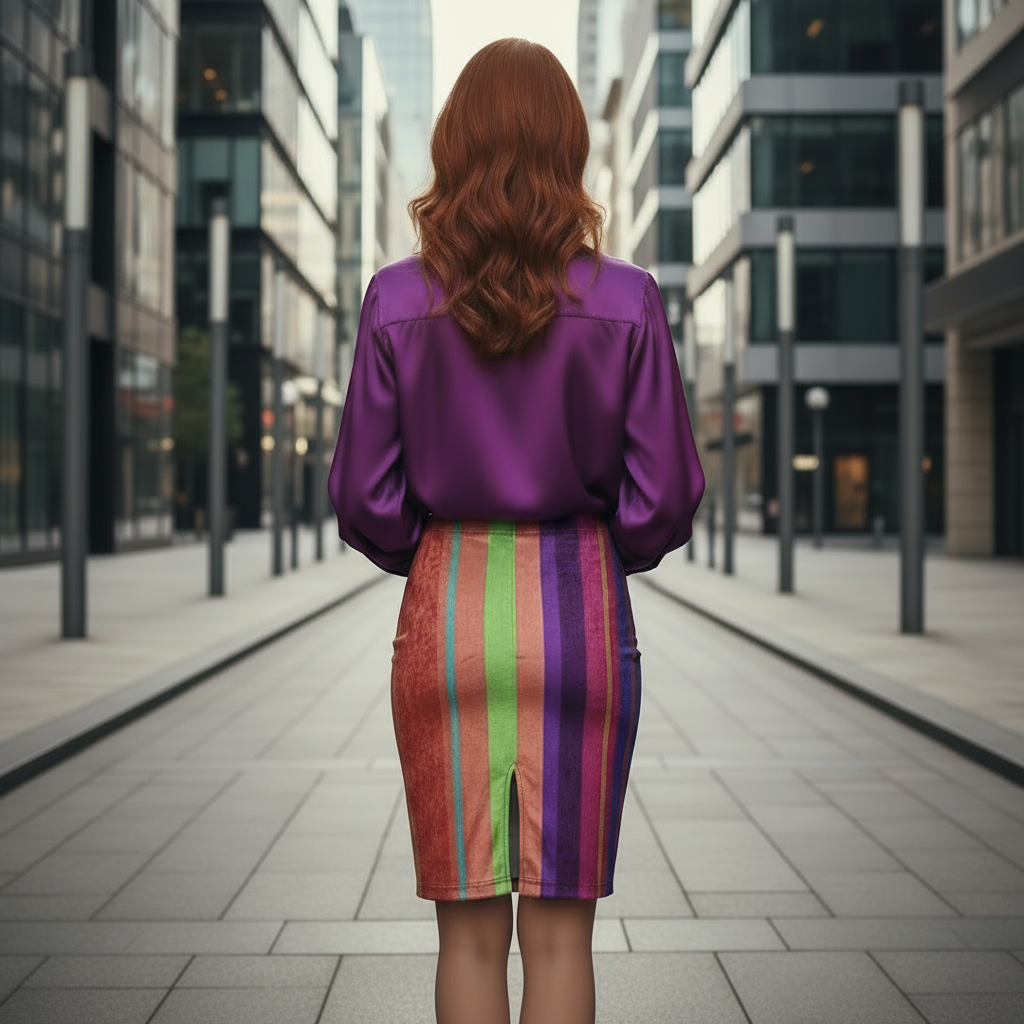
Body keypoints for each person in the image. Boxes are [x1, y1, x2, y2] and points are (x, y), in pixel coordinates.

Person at [329, 37, 704, 1024]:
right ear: (567, 148)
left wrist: (443, 551)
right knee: (560, 932)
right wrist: (590, 548)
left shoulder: (395, 300)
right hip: (577, 608)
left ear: (452, 146)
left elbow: (363, 498)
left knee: (466, 932)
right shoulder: (625, 300)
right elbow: (664, 495)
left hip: (446, 610)